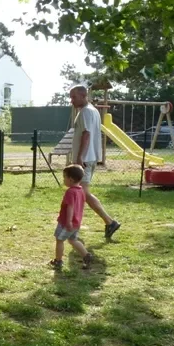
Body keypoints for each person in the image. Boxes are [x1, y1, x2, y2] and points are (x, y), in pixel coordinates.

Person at [69, 84, 121, 240]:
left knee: (82, 193)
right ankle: (79, 225)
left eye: (74, 97)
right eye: (71, 97)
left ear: (84, 96)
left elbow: (86, 135)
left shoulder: (86, 112)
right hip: (89, 158)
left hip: (85, 159)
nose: (71, 100)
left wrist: (79, 158)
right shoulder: (93, 111)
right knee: (81, 194)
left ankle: (109, 222)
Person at [50, 164, 93, 270]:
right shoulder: (80, 191)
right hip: (76, 223)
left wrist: (68, 221)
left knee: (59, 240)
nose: (63, 179)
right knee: (73, 240)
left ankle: (58, 261)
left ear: (70, 179)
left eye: (64, 177)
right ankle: (86, 255)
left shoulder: (70, 192)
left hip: (66, 222)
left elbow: (70, 207)